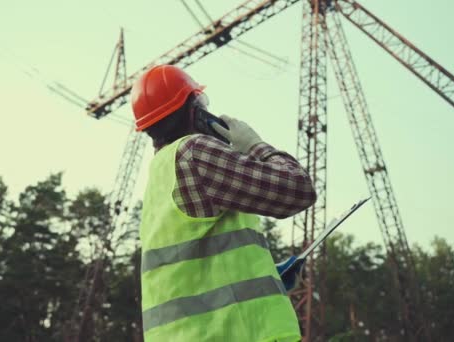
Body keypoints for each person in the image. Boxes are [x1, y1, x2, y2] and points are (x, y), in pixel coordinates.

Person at [132, 64, 317, 342]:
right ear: (195, 110)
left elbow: (191, 280)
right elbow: (297, 189)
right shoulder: (194, 152)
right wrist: (255, 144)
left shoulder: (160, 175)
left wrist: (265, 280)